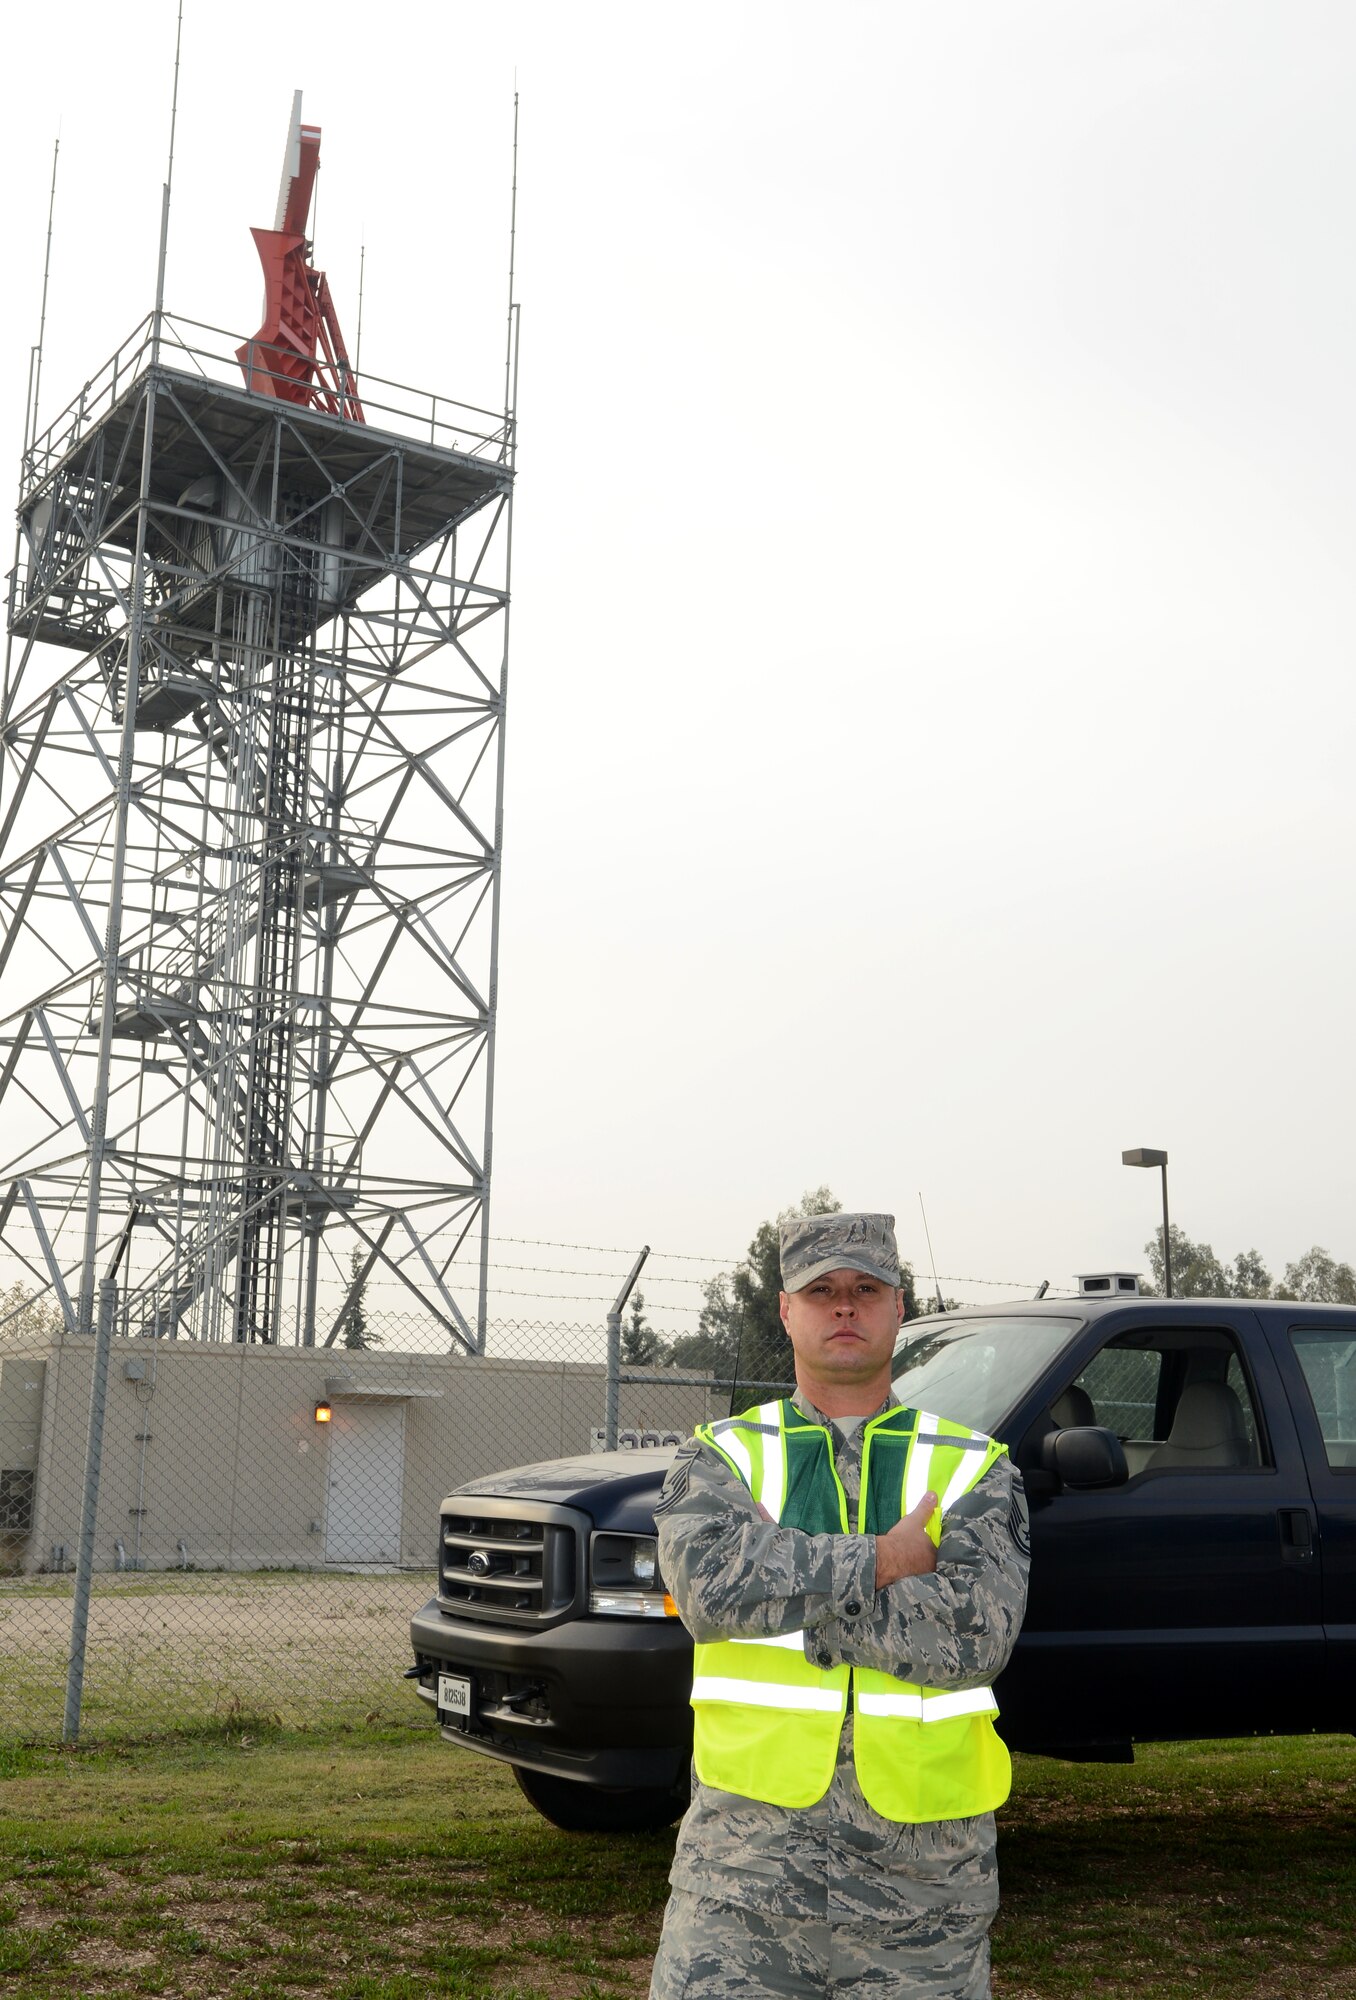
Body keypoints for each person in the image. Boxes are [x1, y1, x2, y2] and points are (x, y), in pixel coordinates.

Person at [649, 1211, 1030, 2000]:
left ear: (899, 1308)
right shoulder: (720, 1456)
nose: (845, 1307)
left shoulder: (975, 1469)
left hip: (925, 1887)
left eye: (866, 1289)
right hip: (743, 1882)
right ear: (786, 1311)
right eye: (821, 1291)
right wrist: (887, 1561)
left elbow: (973, 1637)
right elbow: (711, 1593)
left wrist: (790, 1582)